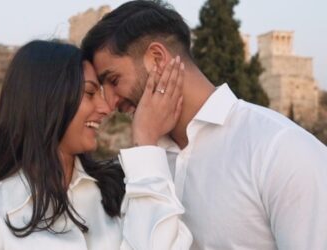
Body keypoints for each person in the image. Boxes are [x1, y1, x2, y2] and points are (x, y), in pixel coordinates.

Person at [81, 1, 327, 249]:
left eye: (114, 80)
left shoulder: (280, 149)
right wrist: (144, 144)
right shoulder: (143, 161)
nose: (110, 103)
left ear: (156, 59)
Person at [0, 40, 192, 250]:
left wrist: (146, 141)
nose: (105, 107)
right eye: (90, 93)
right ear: (49, 101)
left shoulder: (122, 188)